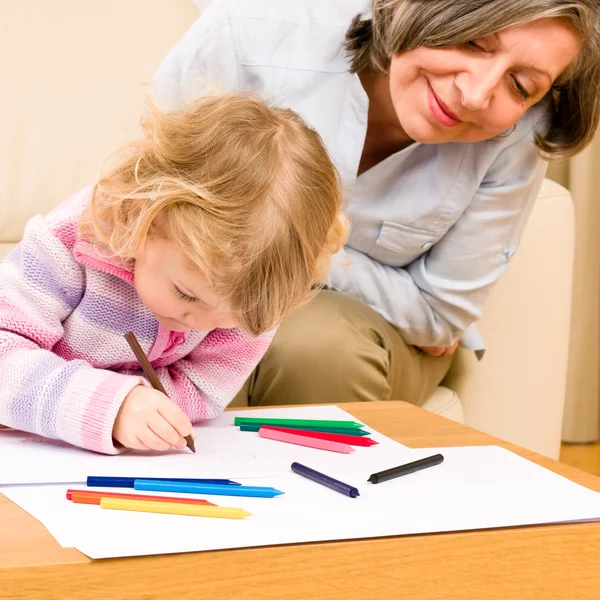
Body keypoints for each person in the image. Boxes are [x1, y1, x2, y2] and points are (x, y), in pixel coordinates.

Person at [151, 0, 600, 408]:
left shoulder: (519, 134)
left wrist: (281, 246)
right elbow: (152, 211)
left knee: (319, 349)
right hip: (204, 290)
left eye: (520, 85)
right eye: (474, 42)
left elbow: (438, 313)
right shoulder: (249, 34)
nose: (477, 94)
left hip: (361, 336)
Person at [0, 92, 347, 453]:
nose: (203, 323)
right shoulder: (67, 240)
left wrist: (141, 411)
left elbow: (202, 391)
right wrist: (111, 407)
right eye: (187, 294)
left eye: (234, 315)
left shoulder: (253, 294)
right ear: (143, 217)